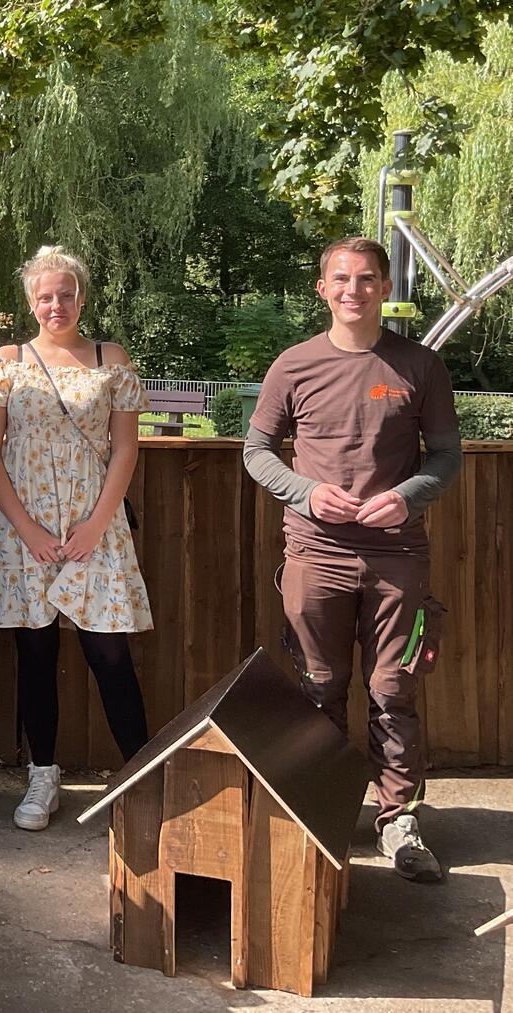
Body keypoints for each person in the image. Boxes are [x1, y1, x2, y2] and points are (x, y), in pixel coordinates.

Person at [244, 236, 461, 882]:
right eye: (341, 279)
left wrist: (407, 496)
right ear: (322, 288)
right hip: (316, 553)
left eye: (367, 279)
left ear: (385, 286)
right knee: (319, 688)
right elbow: (256, 452)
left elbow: (448, 458)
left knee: (394, 687)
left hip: (396, 552)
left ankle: (398, 819)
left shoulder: (419, 367)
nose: (353, 290)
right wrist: (306, 493)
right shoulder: (294, 365)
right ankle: (329, 811)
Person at [0, 247, 151, 833]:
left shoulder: (110, 360)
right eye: (45, 295)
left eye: (66, 294)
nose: (56, 305)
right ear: (31, 301)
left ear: (81, 296)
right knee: (37, 651)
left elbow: (125, 447)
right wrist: (23, 527)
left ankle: (141, 775)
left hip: (92, 524)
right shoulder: (6, 363)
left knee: (108, 651)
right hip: (24, 526)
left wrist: (99, 522)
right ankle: (43, 774)